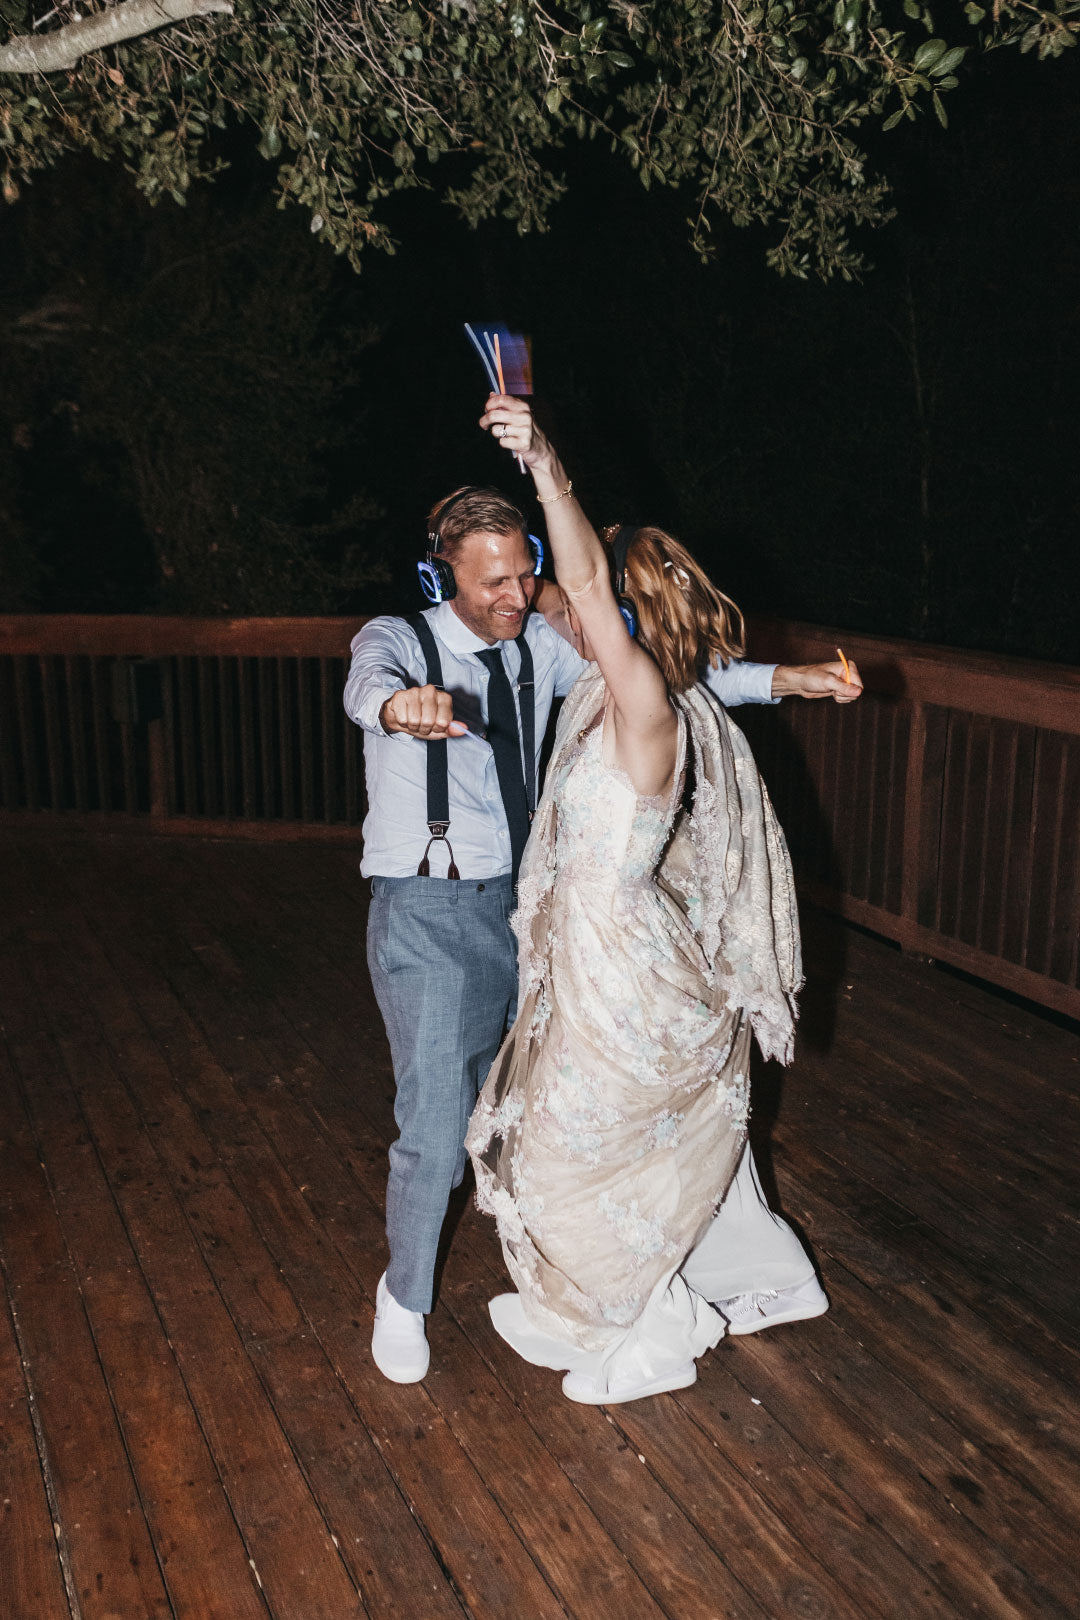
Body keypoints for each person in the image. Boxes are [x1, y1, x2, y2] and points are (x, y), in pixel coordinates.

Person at [344, 457, 861, 1386]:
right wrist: (396, 705)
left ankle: (649, 1280)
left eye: (525, 571)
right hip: (433, 909)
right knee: (436, 1117)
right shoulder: (396, 640)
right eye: (493, 579)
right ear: (441, 575)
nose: (518, 594)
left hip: (543, 919)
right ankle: (405, 1298)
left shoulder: (548, 646)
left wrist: (787, 678)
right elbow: (365, 686)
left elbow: (672, 670)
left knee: (567, 1124)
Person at [465, 392, 839, 1403]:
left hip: (629, 971)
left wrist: (545, 460)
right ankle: (580, 1313)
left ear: (619, 620)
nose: (565, 613)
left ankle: (661, 1329)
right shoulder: (604, 692)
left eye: (584, 610)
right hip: (586, 958)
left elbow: (581, 573)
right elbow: (569, 590)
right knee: (547, 1152)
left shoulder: (644, 706)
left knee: (578, 1162)